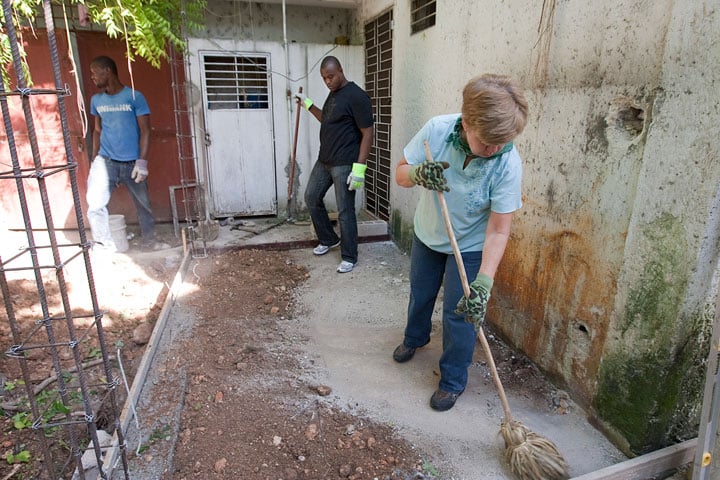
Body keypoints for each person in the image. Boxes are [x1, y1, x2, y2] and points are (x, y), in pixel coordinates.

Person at [392, 74, 529, 411]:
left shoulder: (507, 163)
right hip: (429, 233)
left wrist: (484, 281)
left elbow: (499, 229)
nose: (494, 149)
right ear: (467, 123)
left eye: (502, 142)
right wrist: (418, 173)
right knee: (421, 292)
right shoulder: (437, 131)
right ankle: (415, 338)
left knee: (462, 315)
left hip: (468, 245)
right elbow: (401, 173)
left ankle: (453, 380)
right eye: (487, 142)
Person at [298, 56, 374, 273]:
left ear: (341, 70)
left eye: (330, 76)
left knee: (344, 210)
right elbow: (328, 119)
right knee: (312, 197)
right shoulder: (334, 95)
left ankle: (350, 256)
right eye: (324, 78)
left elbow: (368, 133)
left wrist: (359, 168)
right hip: (325, 160)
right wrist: (308, 104)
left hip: (344, 163)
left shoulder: (357, 96)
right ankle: (329, 239)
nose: (328, 81)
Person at [86, 55, 161, 251]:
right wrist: (94, 159)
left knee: (143, 205)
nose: (92, 77)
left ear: (107, 71)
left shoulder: (134, 96)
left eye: (95, 73)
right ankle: (103, 245)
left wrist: (142, 162)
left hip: (131, 163)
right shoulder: (96, 100)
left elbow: (145, 130)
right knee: (95, 204)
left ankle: (149, 242)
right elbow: (97, 131)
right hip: (106, 161)